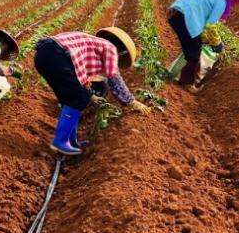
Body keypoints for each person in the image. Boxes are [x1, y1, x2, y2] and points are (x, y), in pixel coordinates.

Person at [34, 28, 151, 156]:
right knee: (78, 98)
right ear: (121, 52)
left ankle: (71, 141)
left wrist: (90, 95)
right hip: (55, 55)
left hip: (43, 55)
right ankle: (61, 141)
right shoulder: (111, 48)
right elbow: (114, 79)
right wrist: (131, 101)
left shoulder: (95, 45)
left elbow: (80, 79)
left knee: (70, 98)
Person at [167, 0, 239, 92]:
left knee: (194, 46)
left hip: (175, 13)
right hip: (184, 15)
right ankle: (187, 83)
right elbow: (210, 25)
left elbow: (205, 25)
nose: (234, 4)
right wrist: (217, 43)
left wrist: (207, 39)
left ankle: (174, 75)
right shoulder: (221, 3)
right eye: (235, 1)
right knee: (194, 52)